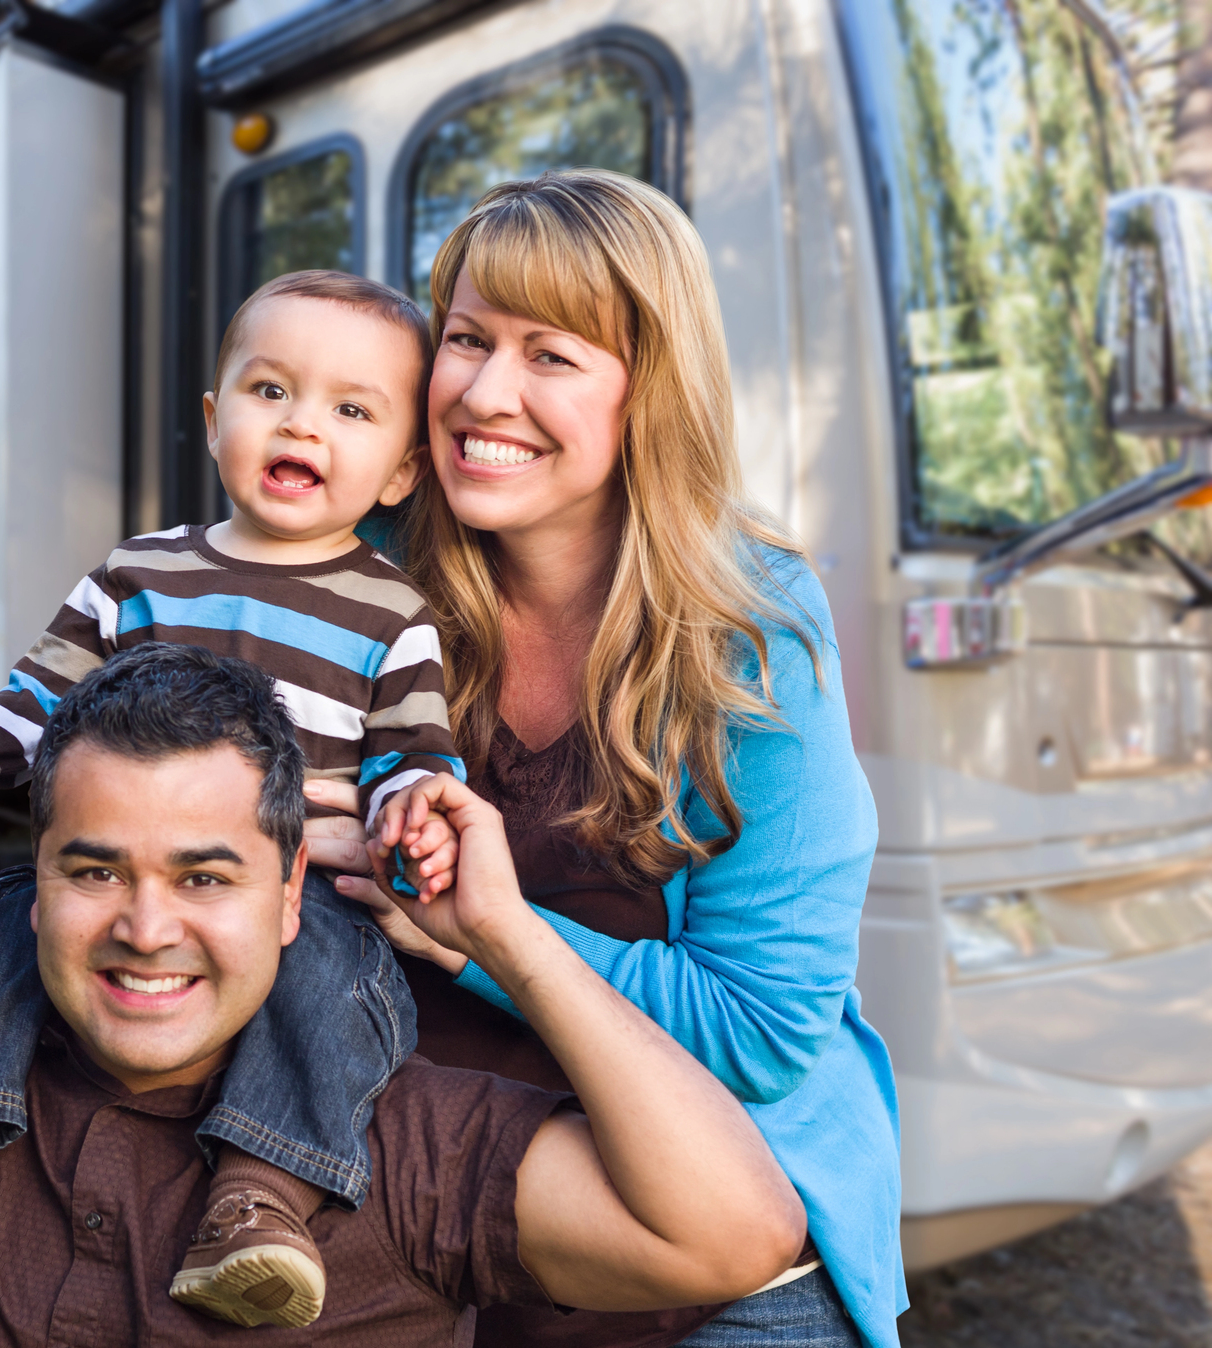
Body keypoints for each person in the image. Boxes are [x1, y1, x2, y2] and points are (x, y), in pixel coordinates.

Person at [0, 643, 807, 1345]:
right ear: (35, 881)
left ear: (292, 894)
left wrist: (512, 942)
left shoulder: (397, 1142)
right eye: (95, 870)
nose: (146, 928)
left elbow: (732, 1236)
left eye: (206, 876)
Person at [0, 269, 466, 1328]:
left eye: (349, 409)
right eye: (268, 390)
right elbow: (30, 705)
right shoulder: (137, 572)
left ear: (399, 473)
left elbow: (414, 756)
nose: (301, 425)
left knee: (337, 979)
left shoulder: (394, 612)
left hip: (296, 899)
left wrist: (413, 811)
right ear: (212, 419)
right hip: (122, 873)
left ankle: (260, 1199)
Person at [308, 170, 904, 1348]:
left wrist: (478, 934)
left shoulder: (749, 628)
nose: (484, 393)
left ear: (649, 393)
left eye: (551, 357)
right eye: (467, 339)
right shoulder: (352, 566)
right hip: (422, 1198)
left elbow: (757, 1031)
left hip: (712, 1235)